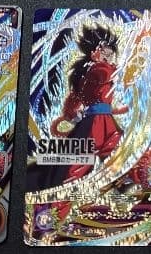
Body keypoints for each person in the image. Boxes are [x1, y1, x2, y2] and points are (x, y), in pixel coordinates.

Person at [50, 24, 127, 181]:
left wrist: (72, 114)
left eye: (110, 53)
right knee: (83, 158)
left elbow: (75, 100)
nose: (108, 56)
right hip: (95, 122)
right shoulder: (98, 70)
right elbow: (110, 75)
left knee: (114, 146)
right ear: (93, 52)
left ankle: (116, 180)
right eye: (104, 52)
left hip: (103, 120)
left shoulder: (91, 71)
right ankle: (68, 189)